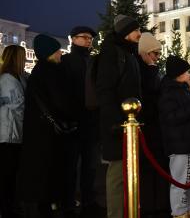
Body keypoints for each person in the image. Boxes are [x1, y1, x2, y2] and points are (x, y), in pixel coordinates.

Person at [18, 34, 76, 218]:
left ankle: (44, 205)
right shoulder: (50, 71)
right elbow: (60, 101)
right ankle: (48, 207)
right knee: (48, 171)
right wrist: (72, 114)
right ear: (49, 53)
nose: (61, 53)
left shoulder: (39, 71)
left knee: (42, 172)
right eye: (57, 50)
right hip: (47, 132)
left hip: (40, 130)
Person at [96, 15, 142, 218]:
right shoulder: (112, 53)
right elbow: (105, 91)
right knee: (117, 173)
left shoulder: (127, 53)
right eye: (135, 30)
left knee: (127, 172)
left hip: (129, 123)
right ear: (125, 33)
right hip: (117, 124)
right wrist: (115, 122)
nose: (139, 34)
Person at [61, 26, 105, 217]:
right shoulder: (66, 61)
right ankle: (68, 203)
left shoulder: (92, 61)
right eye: (84, 37)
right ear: (73, 39)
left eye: (91, 38)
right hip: (72, 122)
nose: (89, 41)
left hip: (90, 122)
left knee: (90, 166)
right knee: (70, 166)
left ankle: (89, 201)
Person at [158, 56, 190, 218]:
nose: (189, 74)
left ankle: (187, 211)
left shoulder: (183, 89)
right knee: (181, 181)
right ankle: (179, 213)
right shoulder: (168, 91)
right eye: (186, 71)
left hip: (189, 142)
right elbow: (171, 118)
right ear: (179, 74)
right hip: (180, 144)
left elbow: (189, 114)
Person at [137, 32, 170, 217]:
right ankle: (151, 205)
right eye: (154, 53)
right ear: (146, 52)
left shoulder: (152, 70)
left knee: (158, 166)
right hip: (148, 126)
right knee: (149, 168)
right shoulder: (144, 70)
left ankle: (159, 203)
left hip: (155, 126)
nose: (157, 57)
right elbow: (149, 94)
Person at [0, 45, 27, 218]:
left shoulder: (20, 78)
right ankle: (6, 209)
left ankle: (10, 207)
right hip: (6, 133)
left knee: (12, 174)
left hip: (15, 132)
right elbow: (16, 104)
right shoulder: (6, 79)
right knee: (6, 175)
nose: (24, 60)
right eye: (22, 57)